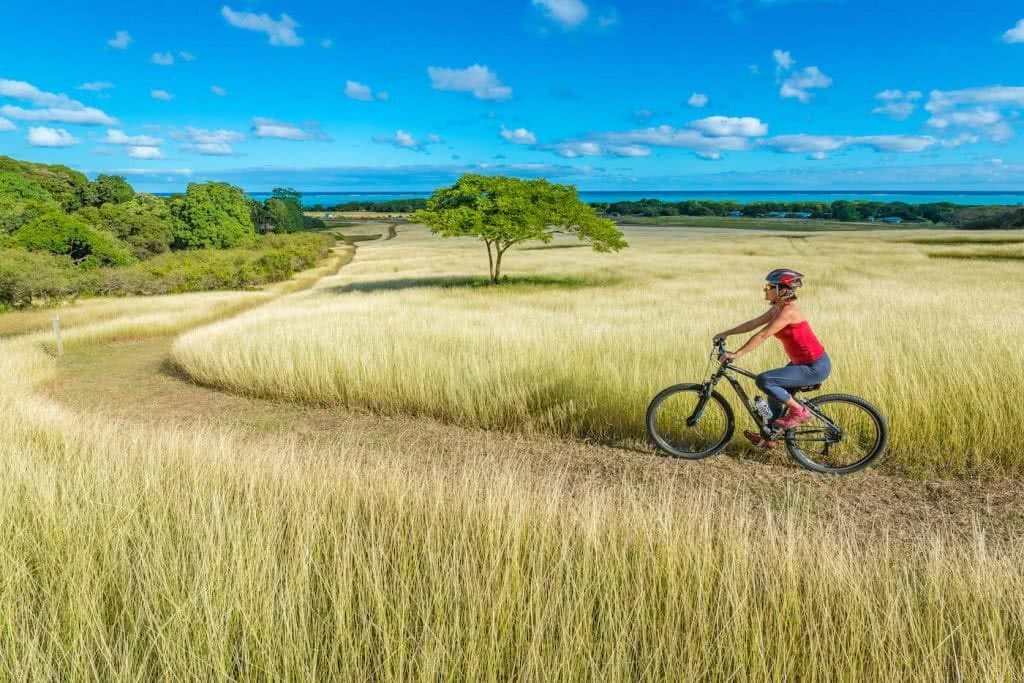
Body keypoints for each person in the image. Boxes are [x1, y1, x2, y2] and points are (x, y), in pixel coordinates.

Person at [713, 269, 831, 449]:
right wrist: (725, 333)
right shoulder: (778, 308)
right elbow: (753, 324)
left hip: (814, 366)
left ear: (782, 290)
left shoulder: (788, 312)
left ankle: (800, 412)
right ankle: (770, 437)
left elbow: (762, 335)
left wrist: (736, 354)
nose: (765, 290)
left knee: (765, 380)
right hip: (801, 364)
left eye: (769, 286)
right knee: (774, 396)